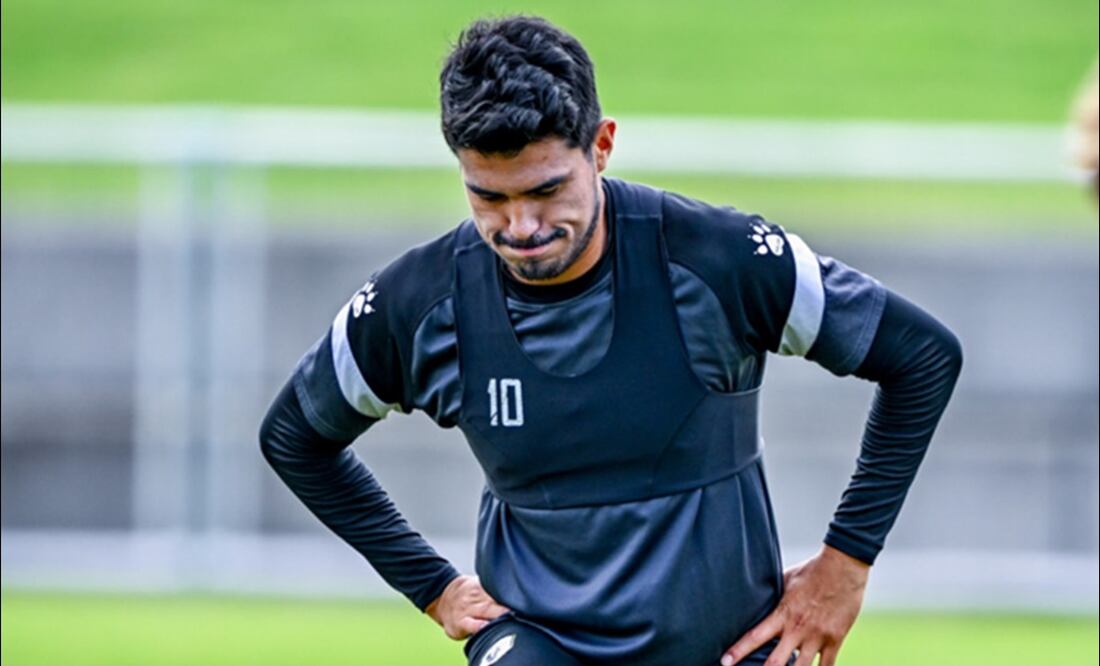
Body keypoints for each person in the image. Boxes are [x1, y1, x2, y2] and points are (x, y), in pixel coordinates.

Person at [260, 15, 962, 666]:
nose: (522, 227)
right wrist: (432, 586)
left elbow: (922, 357)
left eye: (545, 190)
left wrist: (846, 563)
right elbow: (295, 436)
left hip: (729, 646)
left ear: (602, 146)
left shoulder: (718, 259)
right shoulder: (422, 301)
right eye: (489, 198)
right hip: (538, 642)